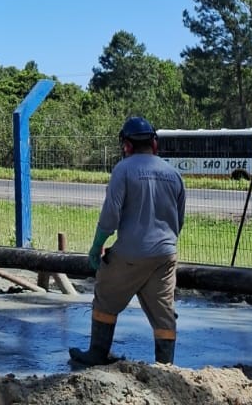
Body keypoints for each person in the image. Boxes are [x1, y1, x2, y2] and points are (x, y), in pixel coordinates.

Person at [70, 115, 186, 368]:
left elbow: (111, 215)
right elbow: (179, 219)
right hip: (165, 255)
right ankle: (165, 365)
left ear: (127, 145)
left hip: (132, 253)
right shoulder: (173, 174)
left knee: (105, 295)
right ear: (154, 144)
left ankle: (97, 354)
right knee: (163, 310)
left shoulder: (123, 169)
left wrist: (96, 245)